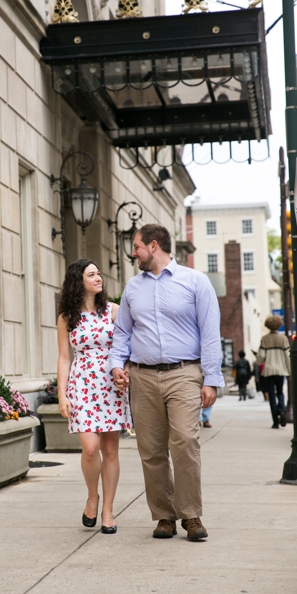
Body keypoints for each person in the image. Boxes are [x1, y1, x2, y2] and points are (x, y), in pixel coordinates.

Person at [109, 223, 222, 542]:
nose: (134, 253)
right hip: (142, 377)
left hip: (185, 373)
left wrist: (211, 379)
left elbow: (210, 333)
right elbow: (122, 334)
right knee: (151, 449)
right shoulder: (133, 287)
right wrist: (117, 364)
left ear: (154, 246)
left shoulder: (196, 282)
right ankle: (163, 516)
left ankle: (191, 514)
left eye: (137, 247)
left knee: (185, 441)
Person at [56, 259, 129, 535]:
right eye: (91, 274)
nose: (98, 278)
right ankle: (92, 495)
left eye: (99, 273)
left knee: (110, 450)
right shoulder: (66, 317)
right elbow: (64, 358)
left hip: (111, 385)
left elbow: (126, 348)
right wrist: (62, 394)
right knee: (90, 448)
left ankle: (108, 510)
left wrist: (126, 371)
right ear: (79, 281)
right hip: (82, 383)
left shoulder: (113, 311)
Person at [256, 315, 290, 429]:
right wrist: (290, 372)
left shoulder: (265, 339)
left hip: (269, 370)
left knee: (271, 395)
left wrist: (259, 361)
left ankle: (275, 422)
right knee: (280, 392)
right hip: (281, 370)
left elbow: (260, 356)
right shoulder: (283, 339)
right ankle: (282, 409)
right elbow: (287, 357)